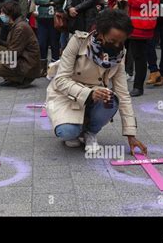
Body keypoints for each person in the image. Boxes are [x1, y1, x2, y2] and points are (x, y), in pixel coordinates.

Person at [46, 9, 147, 154]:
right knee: (68, 133)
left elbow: (123, 94)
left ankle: (90, 132)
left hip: (97, 96)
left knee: (112, 99)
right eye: (112, 41)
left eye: (121, 41)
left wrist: (131, 134)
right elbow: (61, 80)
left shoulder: (120, 54)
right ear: (100, 33)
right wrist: (88, 93)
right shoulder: (78, 42)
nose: (117, 45)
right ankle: (75, 128)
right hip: (68, 94)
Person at [109, 0, 160, 97]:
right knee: (118, 54)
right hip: (122, 21)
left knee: (138, 55)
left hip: (138, 23)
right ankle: (118, 85)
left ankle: (138, 87)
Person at [0, 1, 40, 89]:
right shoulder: (17, 24)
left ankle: (21, 78)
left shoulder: (20, 27)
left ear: (10, 14)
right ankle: (13, 78)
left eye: (2, 12)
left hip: (27, 65)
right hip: (23, 59)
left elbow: (13, 53)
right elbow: (12, 45)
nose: (1, 15)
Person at [34, 0, 66, 77]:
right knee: (42, 43)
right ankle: (42, 67)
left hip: (54, 20)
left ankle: (54, 68)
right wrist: (49, 2)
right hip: (42, 19)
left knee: (54, 44)